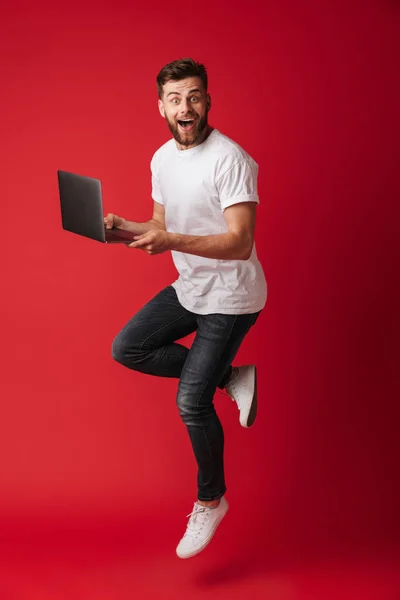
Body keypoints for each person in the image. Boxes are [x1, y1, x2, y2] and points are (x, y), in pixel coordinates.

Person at [106, 58, 267, 559]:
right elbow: (159, 220)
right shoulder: (161, 158)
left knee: (190, 403)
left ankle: (210, 499)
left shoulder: (231, 160)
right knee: (128, 347)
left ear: (207, 101)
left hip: (232, 297)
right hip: (191, 286)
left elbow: (240, 244)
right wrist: (122, 230)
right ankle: (230, 376)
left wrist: (171, 238)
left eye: (194, 96)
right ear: (161, 106)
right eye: (175, 98)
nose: (185, 107)